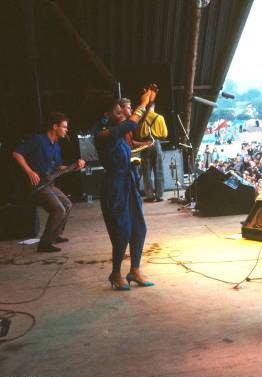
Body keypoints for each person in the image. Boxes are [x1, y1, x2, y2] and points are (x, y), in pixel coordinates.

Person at [93, 88, 157, 291]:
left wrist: (145, 105)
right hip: (114, 187)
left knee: (139, 228)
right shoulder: (104, 133)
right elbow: (130, 122)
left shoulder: (116, 131)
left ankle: (135, 270)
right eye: (117, 110)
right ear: (107, 114)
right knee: (122, 231)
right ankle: (115, 273)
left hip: (128, 183)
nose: (121, 112)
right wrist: (143, 103)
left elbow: (130, 122)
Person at [13, 112, 85, 252]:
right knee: (58, 209)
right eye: (64, 127)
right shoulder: (39, 140)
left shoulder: (56, 145)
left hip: (48, 183)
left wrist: (75, 166)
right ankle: (44, 244)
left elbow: (59, 167)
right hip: (37, 185)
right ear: (54, 126)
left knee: (67, 204)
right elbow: (17, 153)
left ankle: (55, 234)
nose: (66, 130)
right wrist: (29, 171)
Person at [136, 103, 168, 202]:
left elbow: (137, 134)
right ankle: (159, 195)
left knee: (146, 171)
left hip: (145, 144)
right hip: (156, 143)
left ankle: (149, 196)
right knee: (159, 170)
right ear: (154, 107)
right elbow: (165, 134)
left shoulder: (141, 119)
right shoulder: (159, 117)